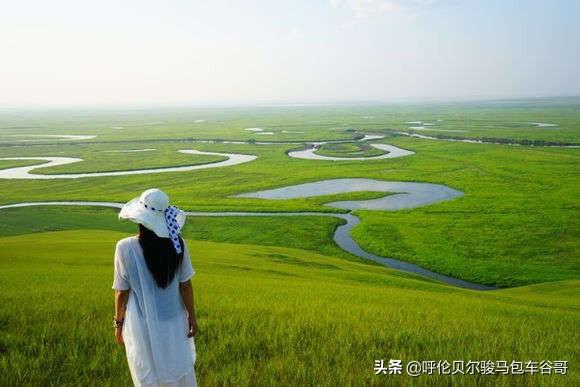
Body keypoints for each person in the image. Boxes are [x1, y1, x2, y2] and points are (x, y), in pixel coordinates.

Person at [112, 188, 198, 387]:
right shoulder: (178, 244)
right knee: (177, 371)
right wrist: (192, 318)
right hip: (175, 320)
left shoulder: (124, 247)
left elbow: (121, 292)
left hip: (141, 325)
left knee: (148, 374)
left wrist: (118, 324)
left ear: (141, 219)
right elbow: (185, 286)